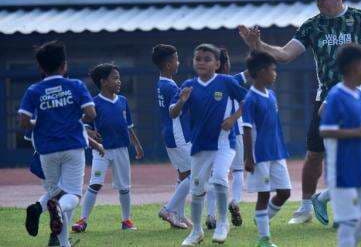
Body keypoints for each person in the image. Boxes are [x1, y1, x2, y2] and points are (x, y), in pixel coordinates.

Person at [239, 0, 361, 225]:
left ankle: (343, 207)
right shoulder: (312, 26)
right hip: (327, 97)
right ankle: (307, 205)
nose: (319, 3)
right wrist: (258, 44)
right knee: (315, 154)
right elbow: (285, 54)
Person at [18, 41, 97, 247]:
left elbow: (24, 122)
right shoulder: (76, 85)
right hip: (72, 146)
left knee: (55, 192)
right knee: (72, 195)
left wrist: (41, 120)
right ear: (64, 65)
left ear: (40, 68)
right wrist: (71, 116)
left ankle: (59, 238)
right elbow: (91, 113)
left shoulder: (34, 90)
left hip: (46, 150)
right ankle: (55, 209)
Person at [170, 43, 247, 245]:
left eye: (207, 59)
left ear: (217, 63)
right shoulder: (188, 85)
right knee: (196, 191)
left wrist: (233, 118)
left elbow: (249, 101)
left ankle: (223, 223)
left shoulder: (226, 82)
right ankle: (196, 231)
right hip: (199, 147)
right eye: (198, 59)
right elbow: (173, 113)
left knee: (220, 178)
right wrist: (182, 102)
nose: (202, 62)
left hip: (224, 143)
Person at [319, 44, 361, 246]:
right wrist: (359, 132)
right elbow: (325, 130)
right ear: (356, 67)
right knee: (347, 224)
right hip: (343, 170)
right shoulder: (337, 95)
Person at [72, 63, 144, 233]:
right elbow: (82, 124)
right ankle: (83, 220)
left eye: (119, 78)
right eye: (115, 78)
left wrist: (137, 144)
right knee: (95, 184)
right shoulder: (94, 103)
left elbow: (128, 126)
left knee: (124, 187)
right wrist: (89, 132)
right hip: (101, 150)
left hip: (121, 150)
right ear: (104, 82)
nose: (119, 81)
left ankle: (126, 221)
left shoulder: (123, 101)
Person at [242, 51, 292, 247]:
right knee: (264, 195)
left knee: (285, 192)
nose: (275, 74)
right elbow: (247, 131)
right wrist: (248, 157)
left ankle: (261, 219)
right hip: (260, 154)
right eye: (273, 70)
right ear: (262, 72)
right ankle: (264, 239)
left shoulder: (271, 94)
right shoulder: (250, 99)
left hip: (277, 151)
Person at [205, 47, 249, 230]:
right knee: (238, 171)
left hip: (212, 135)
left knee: (216, 175)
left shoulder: (204, 83)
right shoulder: (232, 81)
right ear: (224, 64)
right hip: (234, 132)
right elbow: (251, 72)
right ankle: (235, 202)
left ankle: (210, 215)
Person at [152, 44, 193, 229]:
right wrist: (183, 100)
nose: (178, 62)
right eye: (176, 59)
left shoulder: (161, 83)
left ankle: (179, 216)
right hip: (178, 136)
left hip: (169, 134)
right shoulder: (171, 86)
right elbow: (173, 112)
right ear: (168, 64)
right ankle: (168, 209)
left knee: (183, 175)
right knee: (197, 173)